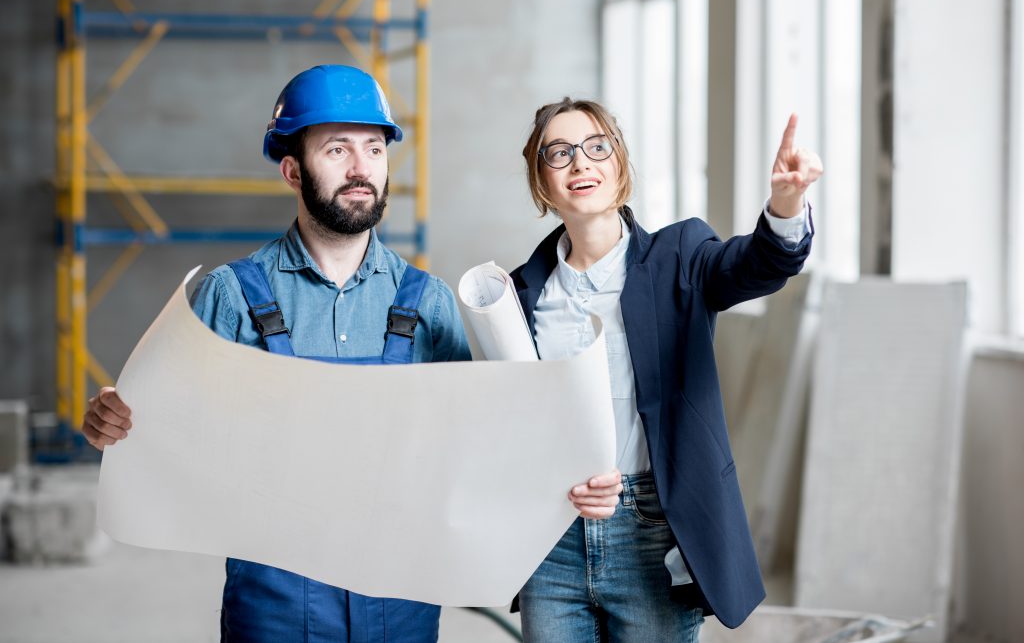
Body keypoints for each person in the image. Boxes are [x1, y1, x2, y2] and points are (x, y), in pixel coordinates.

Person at [80, 64, 471, 642]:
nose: (361, 168)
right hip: (275, 599)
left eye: (373, 149)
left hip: (400, 593)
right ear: (292, 170)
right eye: (337, 149)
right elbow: (158, 434)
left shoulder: (430, 304)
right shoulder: (233, 296)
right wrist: (112, 421)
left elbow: (472, 447)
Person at [509, 98, 821, 642]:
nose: (580, 163)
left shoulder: (681, 256)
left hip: (654, 533)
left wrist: (785, 205)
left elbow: (756, 265)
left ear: (619, 164)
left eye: (596, 147)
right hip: (551, 539)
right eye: (558, 154)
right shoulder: (519, 293)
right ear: (542, 182)